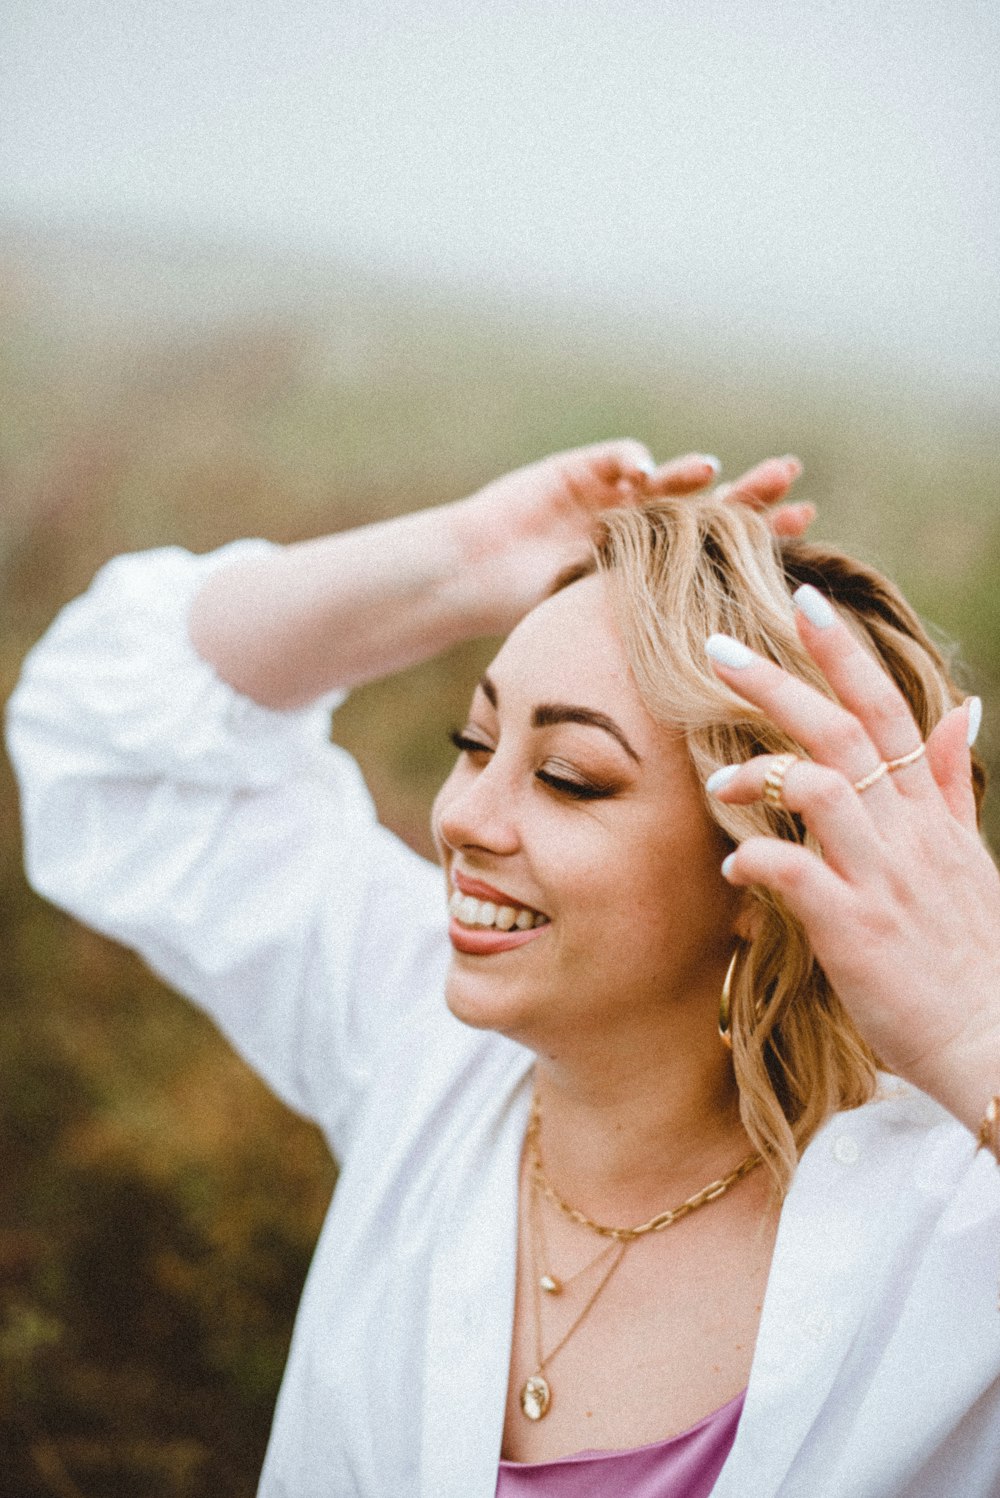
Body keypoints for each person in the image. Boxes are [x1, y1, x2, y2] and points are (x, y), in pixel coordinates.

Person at [6, 441, 1000, 1498]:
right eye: (473, 740)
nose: (461, 819)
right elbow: (102, 730)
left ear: (766, 875)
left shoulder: (948, 1240)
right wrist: (462, 559)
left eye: (569, 779)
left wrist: (974, 1039)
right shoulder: (424, 1046)